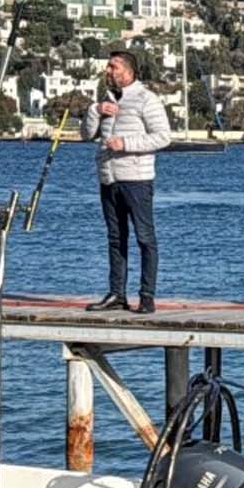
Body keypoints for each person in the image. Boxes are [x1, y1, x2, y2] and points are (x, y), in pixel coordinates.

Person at [85, 49, 171, 312]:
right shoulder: (106, 100)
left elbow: (163, 137)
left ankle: (146, 296)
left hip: (136, 179)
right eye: (108, 67)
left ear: (130, 71)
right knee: (115, 237)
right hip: (108, 178)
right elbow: (87, 134)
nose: (108, 71)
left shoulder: (147, 100)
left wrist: (126, 143)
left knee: (145, 237)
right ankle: (116, 294)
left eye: (114, 67)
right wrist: (95, 110)